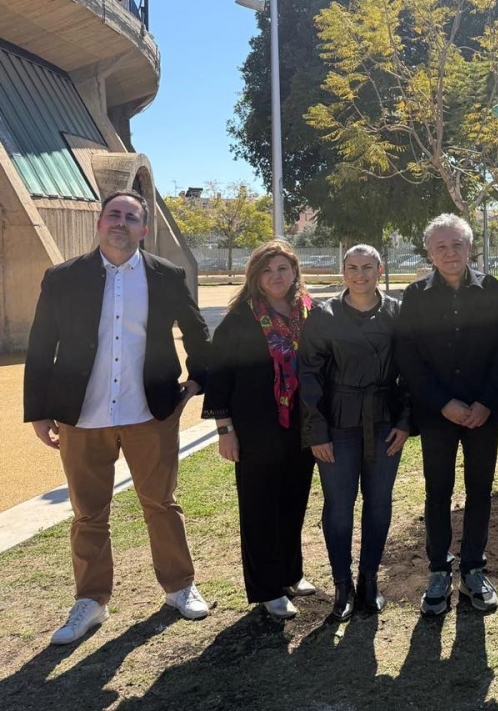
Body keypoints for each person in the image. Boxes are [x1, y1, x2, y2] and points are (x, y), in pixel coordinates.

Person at [24, 190, 212, 645]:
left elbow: (196, 329)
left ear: (144, 229)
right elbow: (41, 342)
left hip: (150, 412)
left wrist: (197, 380)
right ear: (99, 221)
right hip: (80, 416)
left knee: (161, 505)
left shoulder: (166, 275)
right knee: (88, 514)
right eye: (114, 214)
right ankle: (91, 601)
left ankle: (179, 587)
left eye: (131, 217)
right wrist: (39, 410)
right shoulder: (63, 277)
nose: (121, 223)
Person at [397, 214, 498, 616]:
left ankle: (474, 568)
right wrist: (443, 402)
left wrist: (487, 402)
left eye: (457, 244)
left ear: (469, 247)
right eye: (441, 246)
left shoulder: (493, 290)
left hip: (483, 413)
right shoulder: (416, 295)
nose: (450, 252)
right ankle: (440, 570)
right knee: (437, 491)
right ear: (429, 252)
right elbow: (408, 357)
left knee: (480, 490)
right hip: (437, 414)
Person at [203, 240, 317, 620]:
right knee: (259, 507)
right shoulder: (241, 317)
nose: (276, 277)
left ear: (294, 271)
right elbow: (219, 375)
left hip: (300, 425)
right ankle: (267, 587)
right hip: (255, 428)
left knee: (294, 499)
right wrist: (224, 429)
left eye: (282, 269)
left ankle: (291, 572)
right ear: (256, 276)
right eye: (268, 270)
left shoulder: (308, 311)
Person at [299, 244, 410, 621]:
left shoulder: (398, 312)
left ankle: (369, 578)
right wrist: (317, 431)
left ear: (381, 268)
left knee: (379, 503)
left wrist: (405, 422)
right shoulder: (324, 314)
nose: (359, 274)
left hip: (384, 423)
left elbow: (411, 372)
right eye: (351, 267)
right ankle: (342, 584)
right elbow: (309, 375)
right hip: (337, 424)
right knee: (339, 507)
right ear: (342, 271)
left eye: (367, 267)